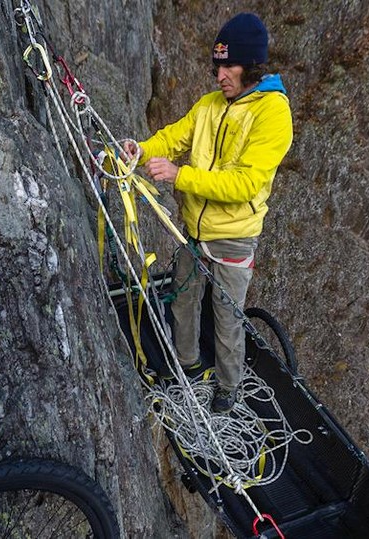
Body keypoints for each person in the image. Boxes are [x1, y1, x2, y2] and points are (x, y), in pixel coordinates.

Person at [124, 13, 293, 413]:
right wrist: (142, 149)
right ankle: (185, 366)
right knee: (182, 298)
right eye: (216, 66)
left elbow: (244, 185)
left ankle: (228, 389)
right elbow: (175, 135)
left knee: (226, 318)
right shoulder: (211, 105)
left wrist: (180, 176)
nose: (220, 75)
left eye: (228, 66)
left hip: (233, 237)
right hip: (193, 232)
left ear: (251, 66)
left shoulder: (273, 114)